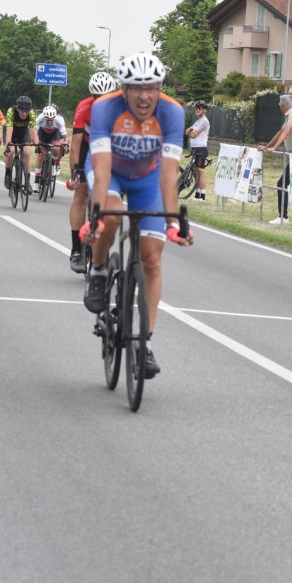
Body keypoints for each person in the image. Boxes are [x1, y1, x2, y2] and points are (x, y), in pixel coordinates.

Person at [80, 53, 193, 379]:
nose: (145, 96)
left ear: (160, 88)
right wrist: (97, 217)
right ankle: (99, 270)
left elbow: (169, 173)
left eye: (152, 88)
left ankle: (145, 344)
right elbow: (102, 168)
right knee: (113, 215)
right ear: (124, 89)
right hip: (111, 173)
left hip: (148, 178)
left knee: (152, 257)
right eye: (137, 88)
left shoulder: (172, 112)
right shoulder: (105, 108)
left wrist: (173, 223)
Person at [68, 71, 118, 272]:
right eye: (97, 97)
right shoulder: (84, 107)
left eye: (105, 97)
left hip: (109, 148)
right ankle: (76, 250)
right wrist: (75, 171)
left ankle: (101, 247)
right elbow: (75, 144)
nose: (101, 101)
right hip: (86, 147)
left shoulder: (120, 108)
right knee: (81, 194)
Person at [258, 94, 292, 224]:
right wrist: (267, 147)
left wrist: (274, 147)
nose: (279, 106)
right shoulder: (289, 116)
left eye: (280, 104)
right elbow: (280, 132)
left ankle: (285, 217)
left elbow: (286, 132)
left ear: (282, 105)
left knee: (283, 183)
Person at [2, 96, 36, 191]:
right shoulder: (11, 111)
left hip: (23, 132)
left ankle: (27, 182)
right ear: (18, 108)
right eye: (22, 111)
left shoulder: (31, 113)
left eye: (26, 111)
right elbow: (9, 129)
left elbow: (33, 130)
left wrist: (38, 146)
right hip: (11, 132)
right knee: (11, 151)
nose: (24, 113)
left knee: (27, 152)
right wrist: (8, 145)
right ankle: (8, 173)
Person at [34, 104, 67, 186]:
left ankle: (53, 164)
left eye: (51, 120)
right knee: (40, 155)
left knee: (56, 148)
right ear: (44, 117)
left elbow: (65, 136)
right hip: (42, 135)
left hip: (54, 135)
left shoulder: (59, 120)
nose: (49, 122)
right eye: (47, 120)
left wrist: (65, 143)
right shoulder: (39, 119)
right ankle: (36, 181)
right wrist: (36, 144)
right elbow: (34, 133)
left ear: (55, 117)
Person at [186, 100, 211, 201]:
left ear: (204, 110)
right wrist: (189, 131)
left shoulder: (204, 121)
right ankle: (197, 194)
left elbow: (192, 134)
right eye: (196, 108)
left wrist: (190, 132)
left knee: (200, 173)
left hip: (201, 149)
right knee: (194, 172)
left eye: (199, 108)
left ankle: (202, 196)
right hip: (195, 149)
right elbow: (187, 131)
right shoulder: (197, 121)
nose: (197, 109)